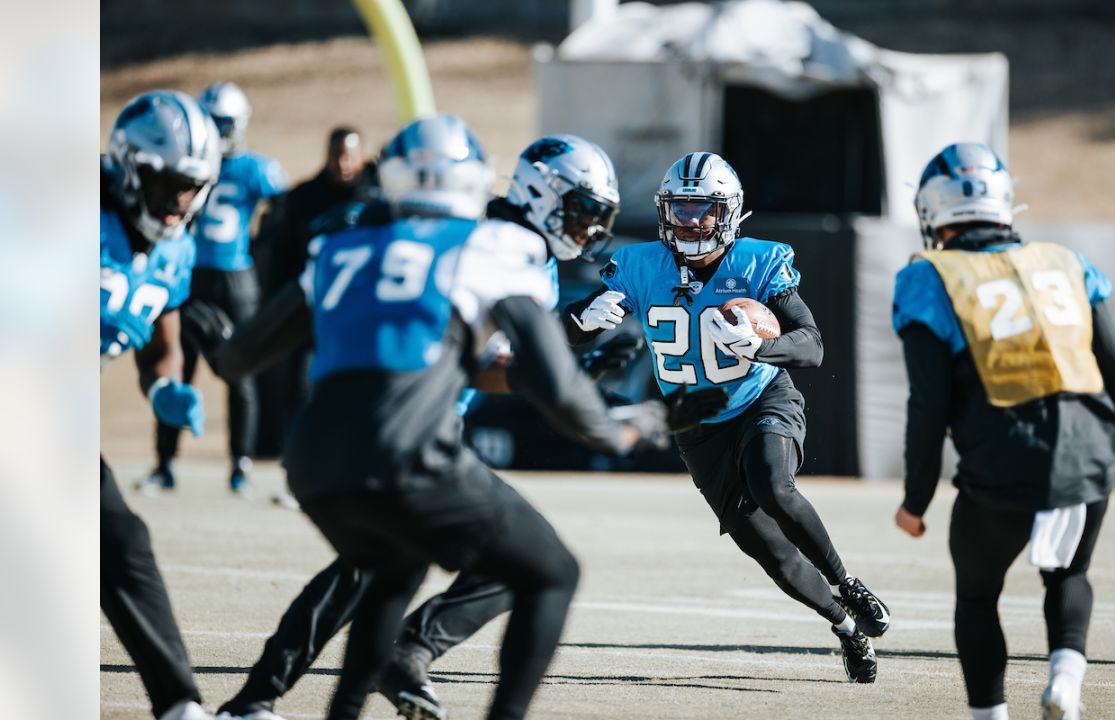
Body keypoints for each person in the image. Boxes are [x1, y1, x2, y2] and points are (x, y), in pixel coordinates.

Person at [212, 118, 726, 720]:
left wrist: (574, 361)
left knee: (394, 565)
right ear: (543, 192)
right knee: (527, 567)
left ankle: (332, 681)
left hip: (322, 442)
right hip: (411, 434)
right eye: (584, 209)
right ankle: (270, 690)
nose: (590, 228)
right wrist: (630, 423)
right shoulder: (499, 243)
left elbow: (241, 354)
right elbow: (525, 370)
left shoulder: (361, 240)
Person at [561, 151, 891, 684]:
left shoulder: (758, 263)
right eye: (680, 208)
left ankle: (848, 583)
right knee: (772, 555)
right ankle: (845, 628)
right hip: (696, 421)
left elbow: (813, 347)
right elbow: (566, 333)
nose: (690, 221)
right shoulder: (640, 266)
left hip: (762, 396)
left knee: (772, 483)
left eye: (702, 208)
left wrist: (760, 348)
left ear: (729, 212)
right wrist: (581, 319)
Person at [890, 142, 1115, 720]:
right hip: (1090, 452)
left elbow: (928, 403)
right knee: (1069, 572)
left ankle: (990, 713)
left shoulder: (928, 277)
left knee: (977, 595)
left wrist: (915, 499)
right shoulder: (1066, 261)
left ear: (933, 211)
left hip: (1003, 459)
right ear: (1004, 201)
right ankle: (1065, 676)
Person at [101, 91, 223, 720]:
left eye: (192, 185)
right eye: (168, 182)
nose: (179, 200)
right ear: (130, 167)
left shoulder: (175, 248)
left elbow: (161, 342)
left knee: (120, 540)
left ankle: (179, 705)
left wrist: (164, 387)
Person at [139, 81, 288, 495]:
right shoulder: (188, 163)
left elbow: (284, 213)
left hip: (235, 276)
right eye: (215, 123)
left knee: (240, 370)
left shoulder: (255, 168)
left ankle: (239, 463)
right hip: (190, 273)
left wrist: (259, 246)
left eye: (227, 123)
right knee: (175, 366)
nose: (221, 132)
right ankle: (164, 463)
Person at [253, 126, 368, 461]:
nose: (343, 163)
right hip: (312, 309)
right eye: (336, 155)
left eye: (349, 155)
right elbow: (283, 255)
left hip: (360, 313)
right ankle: (302, 460)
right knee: (301, 388)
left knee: (355, 387)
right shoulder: (304, 198)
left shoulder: (377, 198)